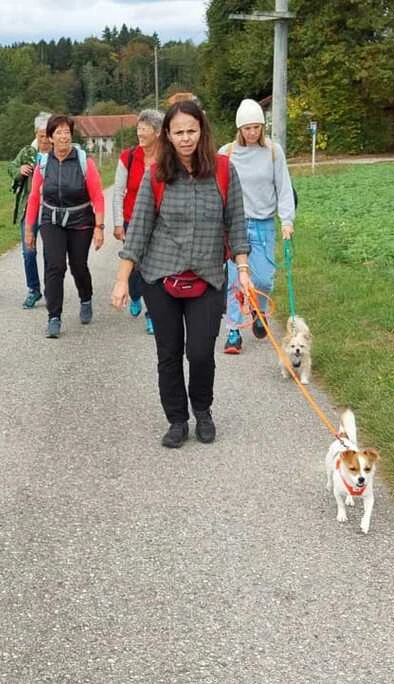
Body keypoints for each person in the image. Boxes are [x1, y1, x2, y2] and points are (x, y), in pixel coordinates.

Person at [112, 99, 252, 449]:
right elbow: (140, 227)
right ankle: (177, 419)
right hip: (161, 278)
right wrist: (121, 279)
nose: (186, 138)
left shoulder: (222, 170)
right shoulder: (157, 172)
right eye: (178, 132)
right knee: (169, 353)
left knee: (201, 352)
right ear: (168, 136)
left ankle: (202, 410)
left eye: (191, 130)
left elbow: (236, 223)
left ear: (202, 131)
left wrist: (244, 270)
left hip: (208, 278)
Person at [217, 98, 296, 355]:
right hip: (235, 225)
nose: (252, 133)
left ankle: (259, 310)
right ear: (239, 128)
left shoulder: (273, 152)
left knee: (263, 279)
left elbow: (283, 188)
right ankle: (233, 332)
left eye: (256, 127)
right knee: (234, 281)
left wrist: (287, 220)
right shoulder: (226, 153)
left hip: (263, 225)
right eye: (247, 128)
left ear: (263, 127)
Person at [23, 114, 106, 339]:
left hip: (80, 221)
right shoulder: (43, 163)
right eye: (58, 132)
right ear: (50, 137)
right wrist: (30, 229)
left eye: (67, 132)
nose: (63, 136)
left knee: (78, 266)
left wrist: (99, 226)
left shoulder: (83, 161)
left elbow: (97, 196)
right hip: (52, 220)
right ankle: (54, 316)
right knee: (55, 266)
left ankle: (86, 297)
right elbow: (34, 198)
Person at [112, 108, 164, 335]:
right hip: (131, 221)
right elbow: (118, 191)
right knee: (133, 267)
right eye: (138, 128)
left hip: (160, 222)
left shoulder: (167, 157)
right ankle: (135, 295)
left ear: (158, 132)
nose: (140, 133)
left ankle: (152, 313)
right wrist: (116, 223)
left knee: (153, 268)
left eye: (145, 129)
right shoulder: (128, 157)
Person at [8, 112, 53, 309]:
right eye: (40, 135)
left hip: (52, 208)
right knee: (29, 251)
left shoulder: (59, 152)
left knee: (52, 253)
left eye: (47, 135)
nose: (44, 139)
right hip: (30, 208)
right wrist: (20, 171)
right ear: (36, 134)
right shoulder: (28, 152)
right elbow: (11, 167)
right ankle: (33, 289)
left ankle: (52, 290)